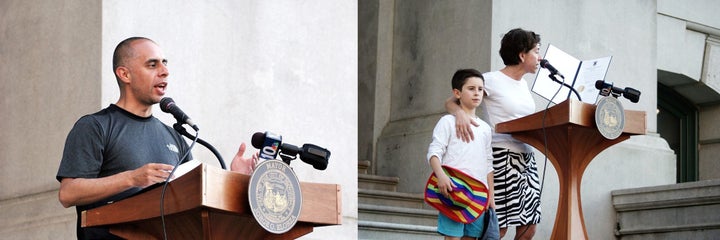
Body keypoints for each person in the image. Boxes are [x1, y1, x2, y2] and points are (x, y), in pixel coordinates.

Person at [56, 37, 256, 239]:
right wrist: (132, 178)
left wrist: (238, 181)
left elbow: (194, 198)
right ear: (125, 74)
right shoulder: (95, 126)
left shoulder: (174, 136)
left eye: (165, 63)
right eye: (152, 65)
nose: (164, 71)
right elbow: (68, 193)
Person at [445, 28, 542, 240]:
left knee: (530, 227)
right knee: (498, 227)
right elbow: (451, 101)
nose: (539, 58)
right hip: (502, 158)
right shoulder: (491, 79)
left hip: (527, 158)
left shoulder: (524, 85)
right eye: (536, 51)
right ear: (522, 55)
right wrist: (460, 114)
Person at [428, 69, 497, 240]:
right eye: (471, 88)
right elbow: (434, 152)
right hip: (452, 191)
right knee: (452, 238)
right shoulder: (447, 122)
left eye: (480, 89)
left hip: (478, 195)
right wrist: (441, 176)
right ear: (457, 93)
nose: (477, 93)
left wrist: (491, 196)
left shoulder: (486, 129)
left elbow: (489, 163)